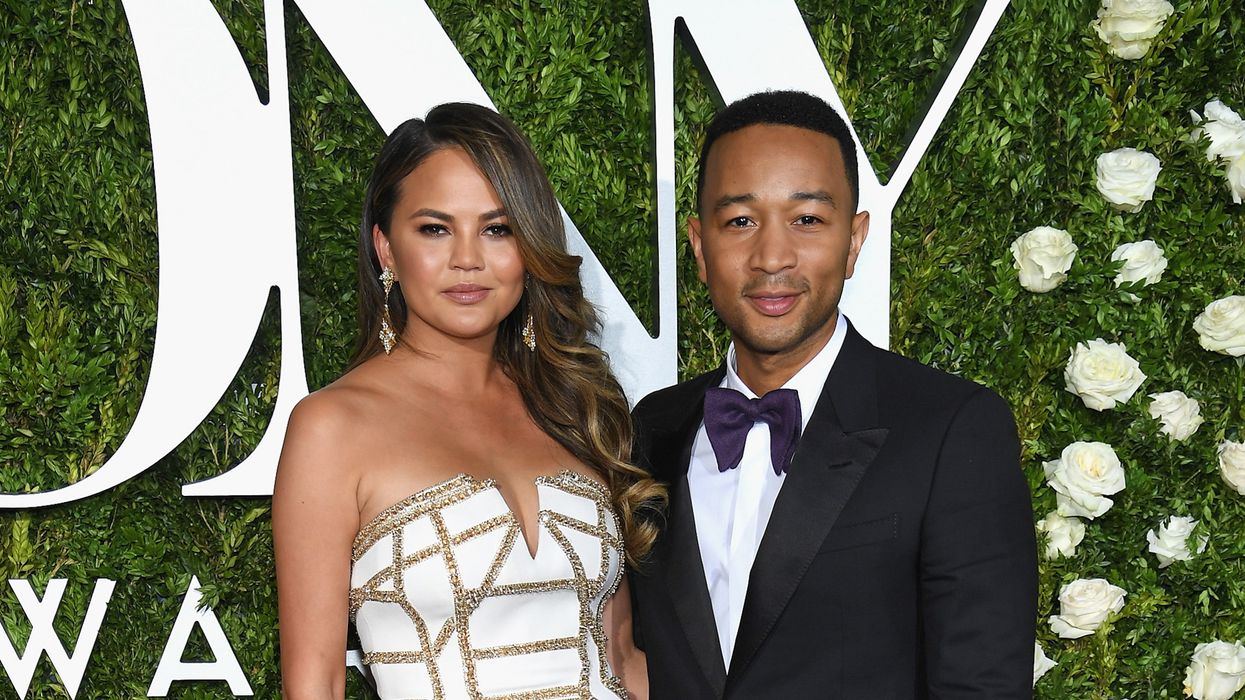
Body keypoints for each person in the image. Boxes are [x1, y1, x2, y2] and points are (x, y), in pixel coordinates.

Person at [629, 90, 1038, 699]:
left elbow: (984, 688)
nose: (771, 257)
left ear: (854, 241)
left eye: (808, 220)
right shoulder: (653, 428)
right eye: (740, 221)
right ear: (699, 247)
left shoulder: (951, 428)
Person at [273, 102, 662, 700]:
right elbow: (314, 683)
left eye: (497, 228)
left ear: (528, 246)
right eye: (435, 228)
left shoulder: (573, 404)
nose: (468, 259)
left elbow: (622, 655)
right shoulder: (332, 427)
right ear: (385, 248)